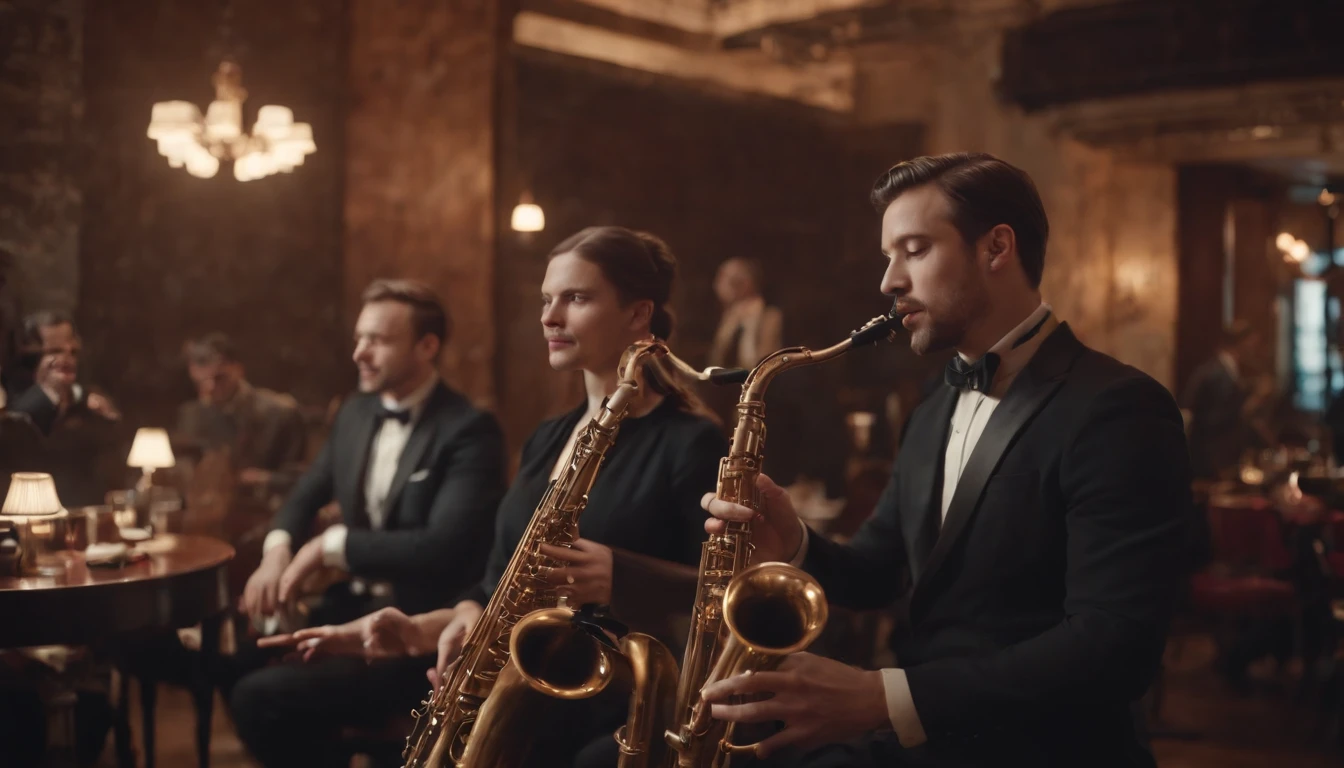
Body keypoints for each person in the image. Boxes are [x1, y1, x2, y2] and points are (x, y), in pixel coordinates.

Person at [699, 153, 1190, 768]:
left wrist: (885, 699)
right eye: (888, 255)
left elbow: (1115, 647)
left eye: (914, 249)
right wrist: (793, 538)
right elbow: (879, 570)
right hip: (929, 741)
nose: (889, 281)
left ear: (997, 248)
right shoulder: (934, 402)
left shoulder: (1118, 407)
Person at [261, 226, 728, 767]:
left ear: (638, 313)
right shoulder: (549, 435)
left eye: (576, 298)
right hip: (528, 691)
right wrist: (424, 629)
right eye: (546, 300)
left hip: (623, 710)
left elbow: (724, 597)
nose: (549, 318)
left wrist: (622, 577)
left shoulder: (691, 440)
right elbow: (496, 583)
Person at [228, 279, 507, 767]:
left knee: (258, 697)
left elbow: (439, 548)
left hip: (417, 631)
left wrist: (329, 546)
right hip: (350, 606)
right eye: (360, 338)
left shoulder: (470, 429)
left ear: (427, 346)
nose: (359, 352)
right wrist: (276, 553)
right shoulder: (355, 413)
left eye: (377, 340)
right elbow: (306, 493)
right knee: (228, 663)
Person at [9, 311, 123, 506]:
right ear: (32, 358)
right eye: (55, 351)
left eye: (72, 352)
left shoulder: (91, 404)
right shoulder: (18, 412)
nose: (67, 359)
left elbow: (111, 457)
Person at [175, 332, 308, 494]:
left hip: (266, 509)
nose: (209, 387)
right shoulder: (191, 416)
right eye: (201, 381)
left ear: (238, 369)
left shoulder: (281, 413)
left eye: (219, 378)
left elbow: (303, 480)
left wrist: (262, 478)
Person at [1181, 321, 1263, 480]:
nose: (1255, 350)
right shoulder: (1215, 372)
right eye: (1252, 344)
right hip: (1212, 458)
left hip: (1221, 457)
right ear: (1241, 342)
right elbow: (1211, 417)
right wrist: (1251, 404)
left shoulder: (1225, 369)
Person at [707, 256, 783, 370]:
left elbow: (760, 368)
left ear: (745, 284)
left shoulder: (770, 316)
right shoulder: (728, 315)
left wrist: (750, 326)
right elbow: (715, 364)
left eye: (725, 279)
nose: (717, 285)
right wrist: (729, 325)